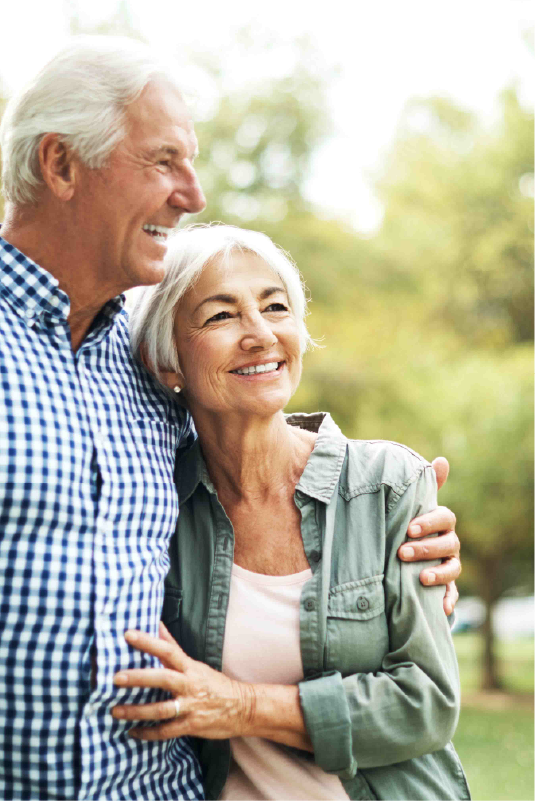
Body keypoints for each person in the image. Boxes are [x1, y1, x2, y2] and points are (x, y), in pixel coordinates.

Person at [0, 39, 460, 801]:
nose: (192, 193)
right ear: (60, 164)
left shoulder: (134, 361)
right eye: (162, 162)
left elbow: (252, 446)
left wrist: (390, 513)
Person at [115, 224, 470, 800]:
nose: (260, 334)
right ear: (166, 362)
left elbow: (425, 704)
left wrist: (239, 706)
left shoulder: (388, 484)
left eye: (276, 307)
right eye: (221, 315)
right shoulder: (153, 504)